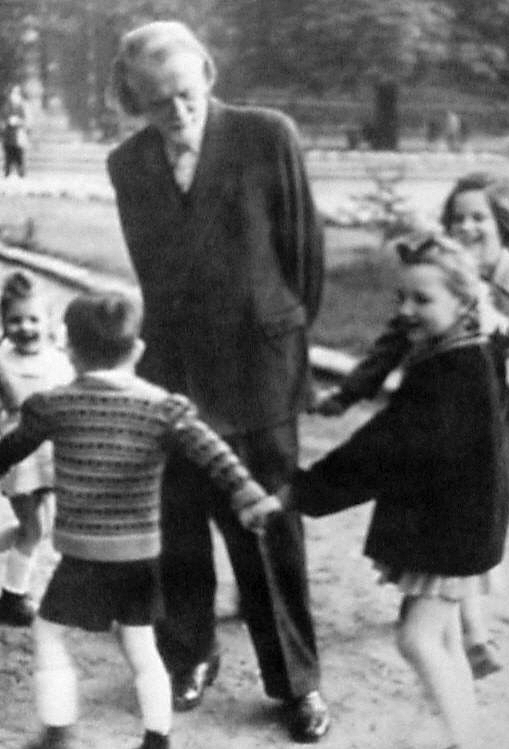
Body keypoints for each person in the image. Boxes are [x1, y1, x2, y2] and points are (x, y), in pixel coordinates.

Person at [107, 20, 329, 742]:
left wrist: (280, 337)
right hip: (173, 368)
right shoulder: (128, 163)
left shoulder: (266, 134)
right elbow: (152, 272)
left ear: (205, 71)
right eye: (156, 101)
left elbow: (304, 255)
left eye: (184, 92)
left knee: (264, 522)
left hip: (257, 367)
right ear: (134, 101)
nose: (176, 111)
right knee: (177, 519)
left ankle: (294, 680)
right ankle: (190, 652)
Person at [250, 235, 509, 749]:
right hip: (460, 520)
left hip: (454, 527)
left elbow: (382, 449)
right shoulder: (467, 351)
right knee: (441, 638)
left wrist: (297, 493)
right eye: (402, 299)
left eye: (423, 300)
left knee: (417, 639)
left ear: (463, 302)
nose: (407, 311)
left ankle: (467, 742)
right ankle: (468, 737)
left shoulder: (454, 372)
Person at [0, 291, 279, 749]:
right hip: (139, 554)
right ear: (137, 350)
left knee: (49, 633)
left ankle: (56, 730)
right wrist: (248, 495)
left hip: (84, 553)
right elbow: (213, 452)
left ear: (68, 348)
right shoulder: (163, 408)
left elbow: (11, 449)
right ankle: (157, 737)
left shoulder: (55, 405)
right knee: (141, 645)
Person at [316, 171, 509, 678]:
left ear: (502, 224)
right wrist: (350, 393)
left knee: (475, 524)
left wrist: (490, 374)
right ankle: (466, 633)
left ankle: (471, 633)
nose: (467, 226)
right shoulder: (431, 273)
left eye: (479, 217)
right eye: (458, 216)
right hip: (443, 420)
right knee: (450, 526)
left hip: (495, 419)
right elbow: (389, 345)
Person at [0, 271, 73, 626]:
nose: (25, 327)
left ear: (48, 322)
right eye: (15, 320)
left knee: (39, 527)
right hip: (19, 455)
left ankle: (13, 587)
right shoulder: (2, 361)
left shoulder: (59, 359)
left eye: (33, 319)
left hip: (51, 454)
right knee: (33, 529)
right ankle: (12, 596)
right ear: (3, 323)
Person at [1, 85, 30, 178]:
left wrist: (19, 121)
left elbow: (27, 120)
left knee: (20, 156)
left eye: (17, 93)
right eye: (13, 93)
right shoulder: (6, 105)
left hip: (19, 136)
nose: (15, 95)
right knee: (8, 155)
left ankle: (21, 173)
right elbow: (2, 118)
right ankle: (7, 172)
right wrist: (7, 122)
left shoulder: (24, 106)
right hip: (8, 136)